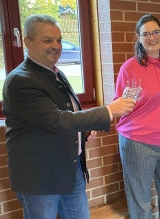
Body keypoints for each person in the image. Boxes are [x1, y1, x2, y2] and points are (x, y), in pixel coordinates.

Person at [1, 14, 135, 219]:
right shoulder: (20, 80)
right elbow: (58, 120)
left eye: (59, 40)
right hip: (41, 179)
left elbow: (65, 114)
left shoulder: (56, 73)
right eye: (47, 40)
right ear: (27, 42)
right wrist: (109, 111)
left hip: (70, 171)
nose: (56, 46)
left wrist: (82, 130)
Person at [114, 14, 160, 219]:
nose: (152, 37)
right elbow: (119, 105)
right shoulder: (129, 67)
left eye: (156, 32)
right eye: (145, 34)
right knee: (141, 203)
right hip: (137, 143)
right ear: (138, 38)